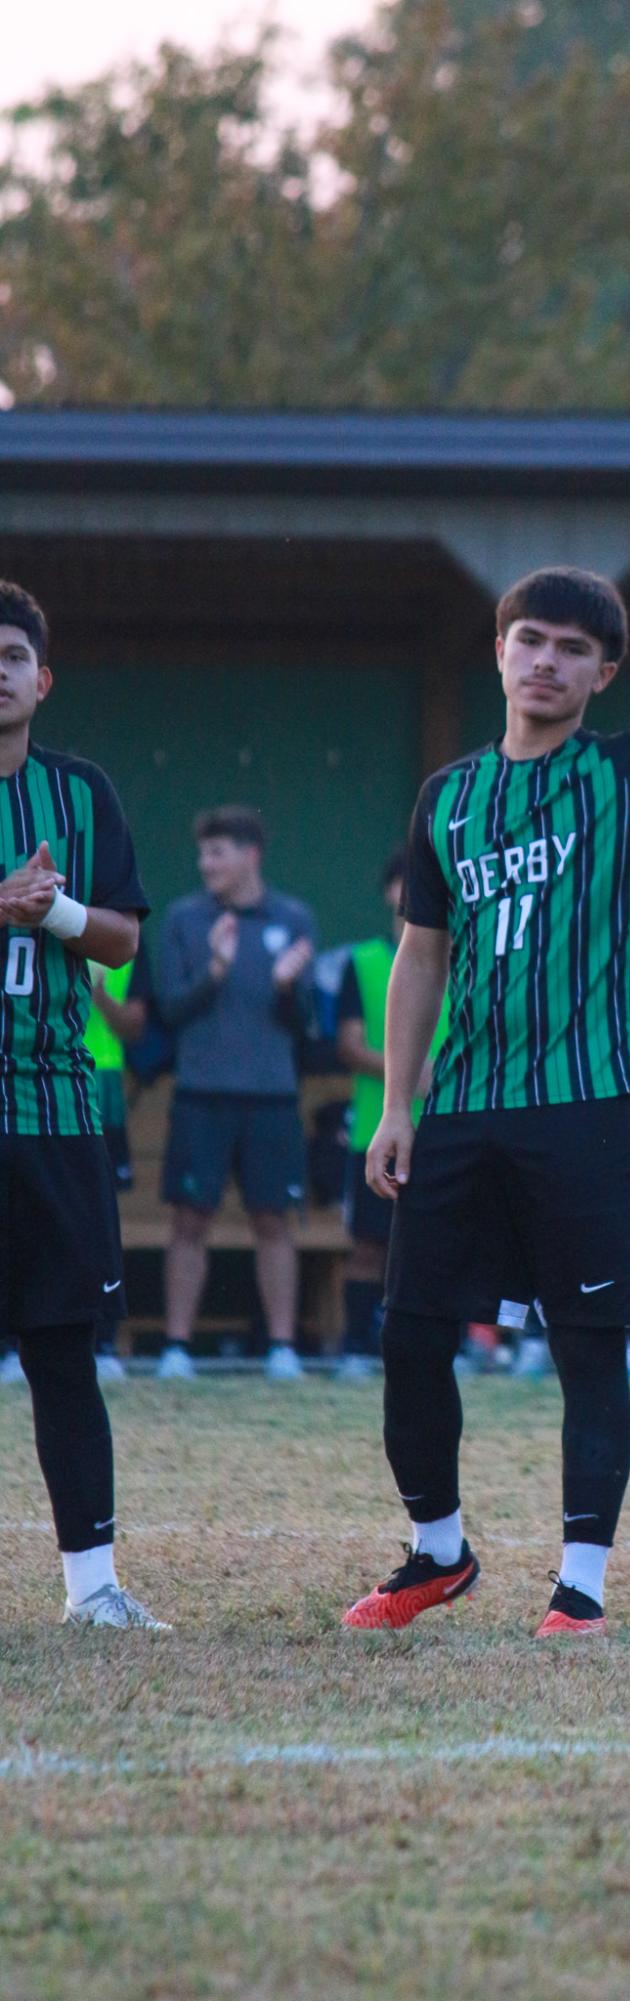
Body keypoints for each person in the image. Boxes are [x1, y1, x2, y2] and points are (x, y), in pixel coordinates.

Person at [342, 461, 630, 1638]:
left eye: (573, 649)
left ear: (602, 673)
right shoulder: (448, 798)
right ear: (498, 653)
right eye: (529, 639)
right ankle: (436, 1553)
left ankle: (578, 1584)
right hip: (461, 1109)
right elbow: (421, 955)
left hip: (582, 1109)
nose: (547, 661)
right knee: (410, 1336)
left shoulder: (629, 773)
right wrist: (396, 1105)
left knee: (587, 1348)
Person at [0, 579, 168, 1628]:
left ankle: (92, 1589)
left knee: (64, 1356)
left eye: (10, 656)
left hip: (58, 1114)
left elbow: (124, 941)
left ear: (41, 679)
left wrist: (50, 906)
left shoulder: (82, 792)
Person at [156, 806, 317, 1381]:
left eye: (217, 853)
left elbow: (304, 1026)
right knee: (188, 1222)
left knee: (274, 1221)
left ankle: (281, 1349)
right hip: (201, 1095)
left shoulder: (293, 918)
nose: (206, 865)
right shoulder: (183, 919)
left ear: (251, 855)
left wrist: (287, 986)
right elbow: (169, 1011)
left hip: (272, 1098)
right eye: (203, 854)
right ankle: (176, 1349)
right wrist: (215, 971)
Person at [511, 913, 630, 1384]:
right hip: (547, 1098)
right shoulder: (546, 917)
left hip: (621, 1106)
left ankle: (627, 1342)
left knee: (622, 1223)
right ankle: (530, 1340)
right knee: (538, 1216)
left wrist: (614, 1073)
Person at [334, 850, 449, 1381]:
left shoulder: (464, 955)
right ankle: (358, 1346)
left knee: (449, 1247)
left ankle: (457, 1346)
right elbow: (349, 1046)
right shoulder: (363, 962)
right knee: (369, 1244)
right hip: (374, 1126)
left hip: (449, 1127)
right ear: (390, 891)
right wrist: (406, 1074)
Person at [83, 947, 152, 1382]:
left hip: (100, 1087)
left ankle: (104, 1342)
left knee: (98, 1219)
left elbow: (134, 1028)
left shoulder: (120, 939)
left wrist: (101, 996)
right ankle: (14, 1347)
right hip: (32, 1079)